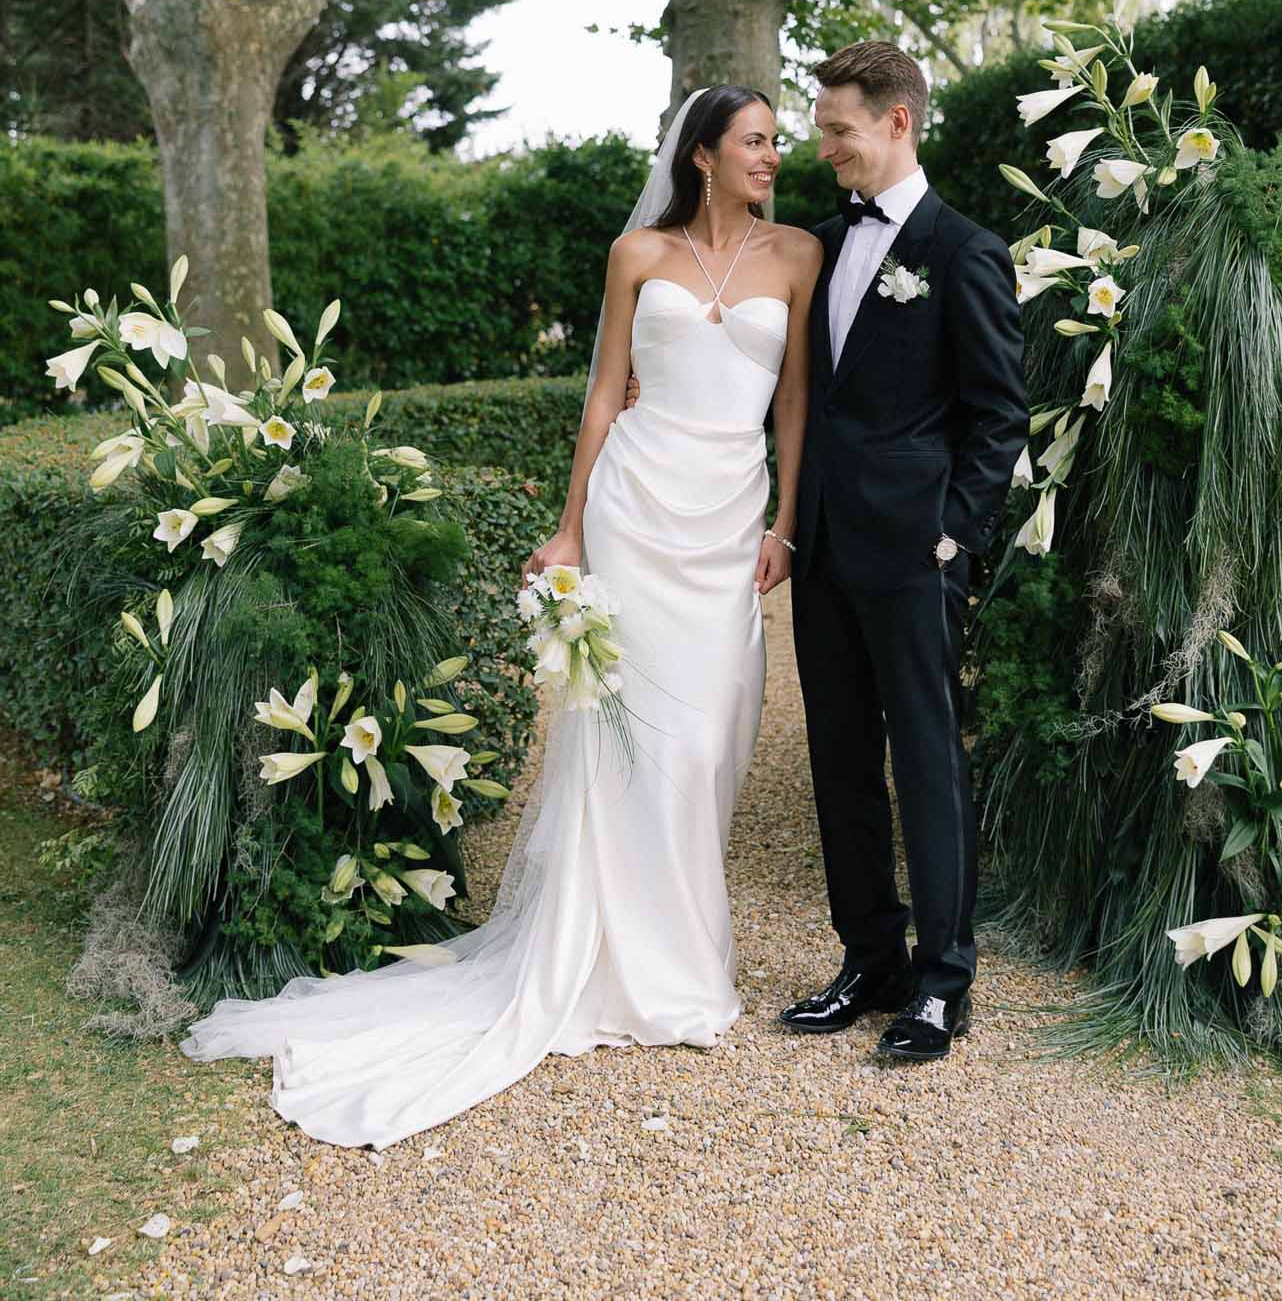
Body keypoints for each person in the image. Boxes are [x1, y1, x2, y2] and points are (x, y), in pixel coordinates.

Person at [181, 85, 820, 1145]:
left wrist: (787, 521)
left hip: (726, 521)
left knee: (708, 736)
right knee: (625, 741)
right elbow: (605, 394)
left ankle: (671, 948)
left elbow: (794, 397)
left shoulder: (795, 253)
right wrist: (571, 527)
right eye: (754, 142)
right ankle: (641, 967)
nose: (771, 157)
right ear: (702, 153)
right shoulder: (638, 255)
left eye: (775, 143)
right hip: (633, 507)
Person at [778, 40, 1028, 1064]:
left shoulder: (963, 249)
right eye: (821, 126)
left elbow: (999, 412)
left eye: (838, 127)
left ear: (896, 122)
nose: (824, 144)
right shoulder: (823, 245)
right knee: (837, 756)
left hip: (913, 550)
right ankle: (869, 958)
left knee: (926, 761)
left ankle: (941, 981)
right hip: (826, 543)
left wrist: (952, 534)